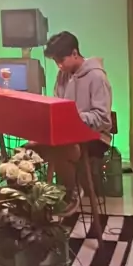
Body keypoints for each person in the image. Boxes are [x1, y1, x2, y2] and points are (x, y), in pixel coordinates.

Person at [41, 31, 112, 215]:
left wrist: (74, 117)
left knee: (62, 148)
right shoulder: (62, 75)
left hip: (96, 136)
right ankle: (38, 198)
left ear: (74, 53)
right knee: (32, 147)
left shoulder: (96, 77)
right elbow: (58, 104)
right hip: (69, 133)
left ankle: (71, 191)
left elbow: (103, 119)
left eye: (61, 60)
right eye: (55, 61)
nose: (59, 65)